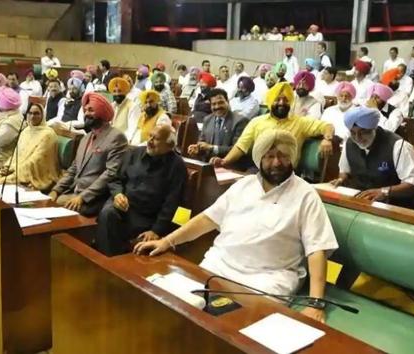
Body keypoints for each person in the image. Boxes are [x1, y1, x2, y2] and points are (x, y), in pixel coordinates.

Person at [135, 129, 339, 323]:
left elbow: (316, 250)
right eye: (269, 156)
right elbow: (207, 219)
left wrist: (315, 303)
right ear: (259, 159)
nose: (277, 162)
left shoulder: (305, 194)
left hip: (266, 280)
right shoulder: (244, 184)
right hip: (218, 266)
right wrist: (167, 241)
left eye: (283, 156)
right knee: (170, 309)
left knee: (231, 330)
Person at [97, 124, 187, 256]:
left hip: (146, 216)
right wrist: (117, 194)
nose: (150, 141)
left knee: (117, 227)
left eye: (155, 139)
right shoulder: (134, 153)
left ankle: (114, 263)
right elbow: (115, 179)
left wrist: (156, 230)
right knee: (107, 213)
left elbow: (173, 202)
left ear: (169, 145)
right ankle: (104, 261)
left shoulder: (177, 166)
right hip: (122, 204)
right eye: (150, 136)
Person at [212, 82, 335, 168]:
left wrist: (327, 139)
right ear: (270, 102)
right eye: (277, 100)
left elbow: (327, 126)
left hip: (287, 173)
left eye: (286, 100)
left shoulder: (300, 122)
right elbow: (241, 146)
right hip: (259, 171)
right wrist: (224, 161)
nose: (282, 103)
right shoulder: (257, 122)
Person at [49, 92, 128, 216]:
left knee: (58, 207)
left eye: (91, 110)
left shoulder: (116, 137)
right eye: (85, 110)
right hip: (73, 191)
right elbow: (73, 169)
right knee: (50, 201)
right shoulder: (86, 138)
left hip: (94, 198)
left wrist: (82, 197)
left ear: (102, 112)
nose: (86, 114)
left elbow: (110, 173)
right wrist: (55, 190)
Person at [331, 106, 414, 210]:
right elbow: (345, 171)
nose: (357, 138)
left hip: (392, 207)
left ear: (374, 128)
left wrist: (384, 192)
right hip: (360, 202)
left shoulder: (398, 146)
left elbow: (413, 185)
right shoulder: (349, 143)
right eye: (353, 133)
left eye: (363, 132)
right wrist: (341, 179)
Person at [0, 103, 60, 190]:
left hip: (32, 172)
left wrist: (12, 169)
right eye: (30, 113)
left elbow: (36, 161)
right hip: (16, 168)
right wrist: (7, 166)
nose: (33, 116)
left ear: (43, 115)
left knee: (1, 181)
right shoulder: (25, 131)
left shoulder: (48, 134)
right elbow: (15, 155)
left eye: (36, 113)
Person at [188, 88, 250, 169]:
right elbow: (202, 142)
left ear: (227, 102)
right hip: (208, 166)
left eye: (220, 103)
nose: (217, 107)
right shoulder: (207, 119)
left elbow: (238, 149)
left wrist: (212, 148)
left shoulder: (240, 121)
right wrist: (198, 149)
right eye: (213, 104)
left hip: (230, 167)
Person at [109, 77, 140, 141]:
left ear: (125, 92)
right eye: (114, 91)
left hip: (123, 141)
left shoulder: (133, 106)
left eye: (120, 91)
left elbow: (132, 130)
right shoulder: (112, 105)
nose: (117, 94)